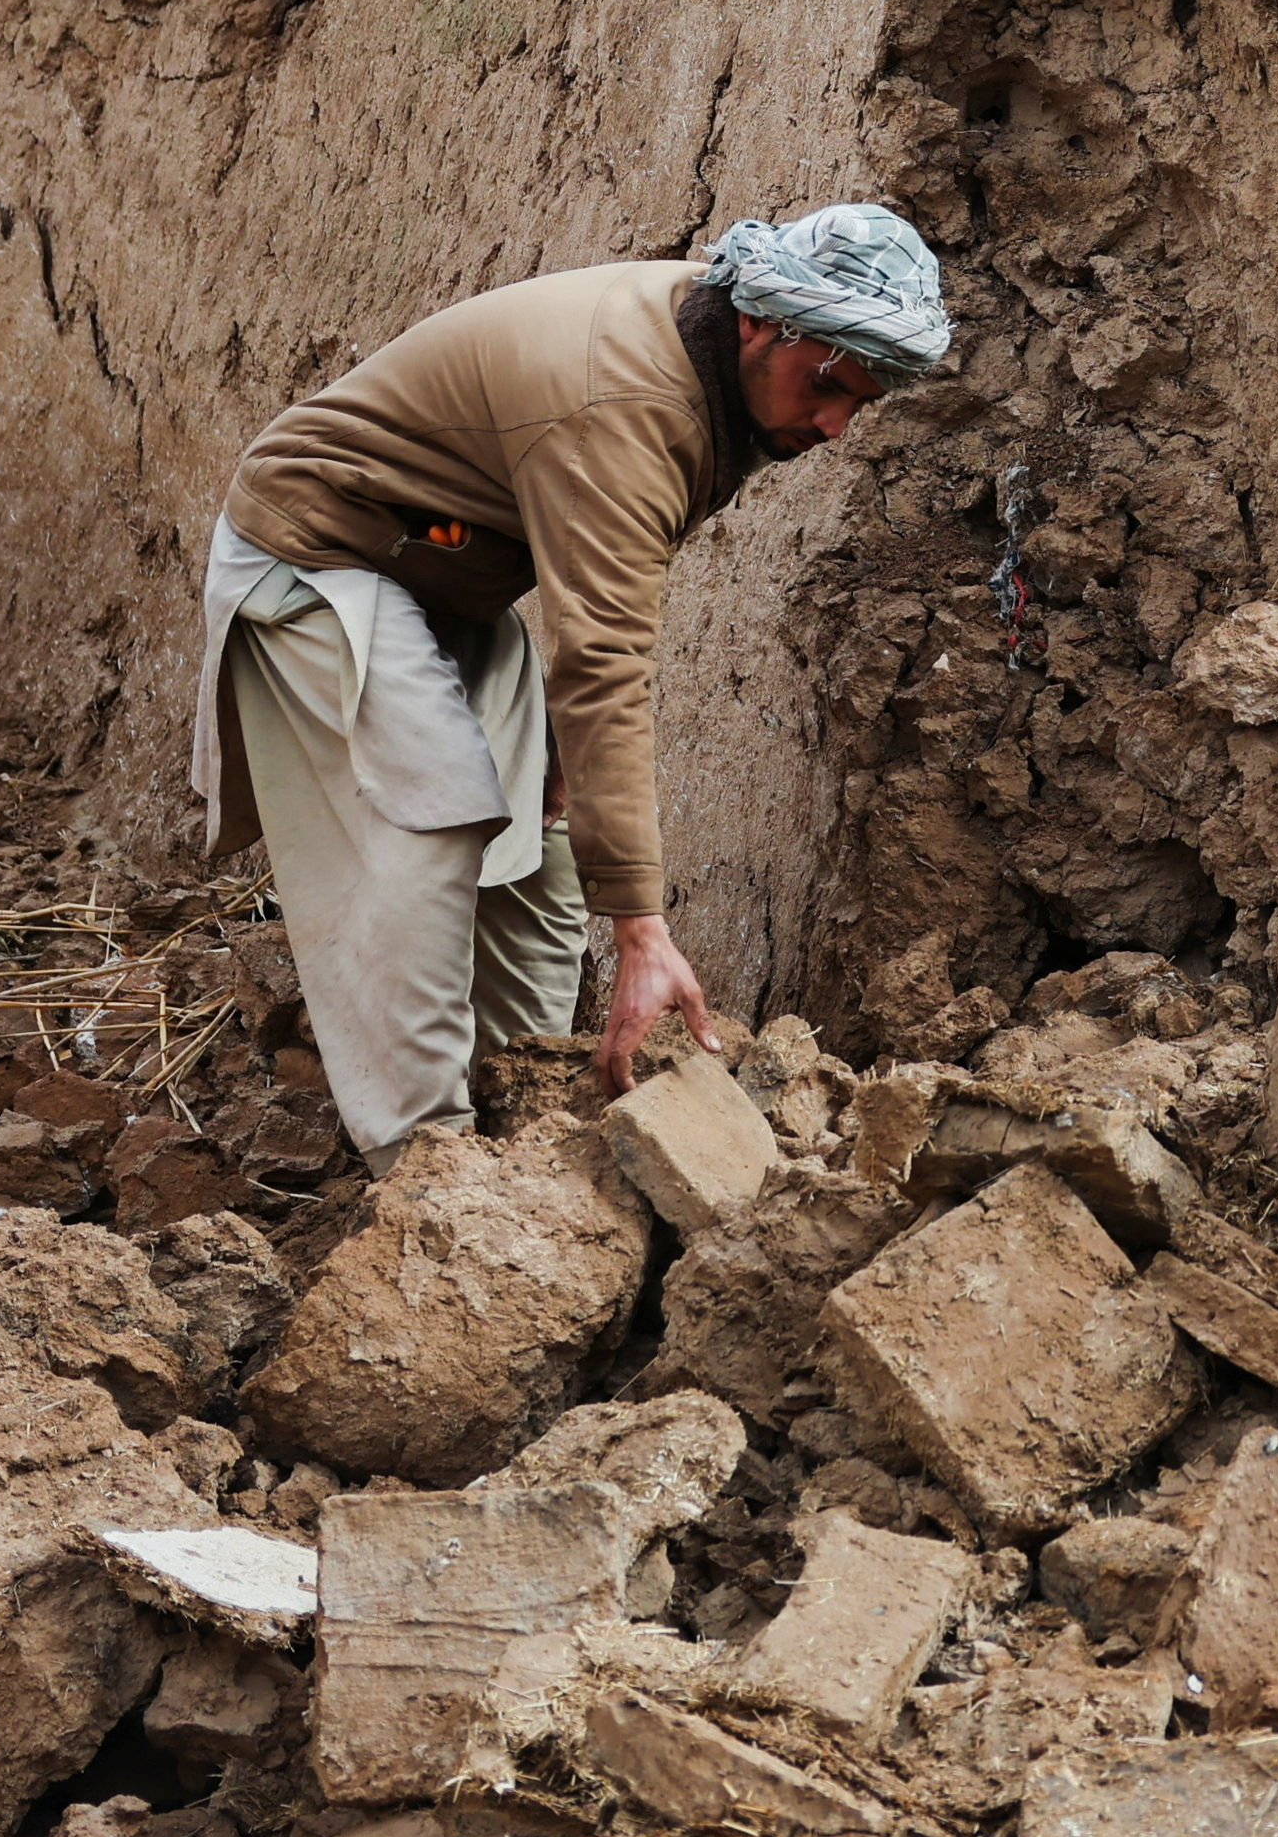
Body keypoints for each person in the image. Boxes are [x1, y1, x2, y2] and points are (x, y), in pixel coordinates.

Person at [190, 207, 950, 1154]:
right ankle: (428, 1163)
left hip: (447, 576)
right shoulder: (630, 401)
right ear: (764, 322)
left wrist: (562, 758)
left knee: (537, 855)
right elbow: (605, 656)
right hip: (324, 558)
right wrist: (641, 926)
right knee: (431, 830)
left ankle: (527, 1115)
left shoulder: (724, 367)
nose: (836, 426)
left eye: (861, 403)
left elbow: (593, 593)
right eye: (829, 385)